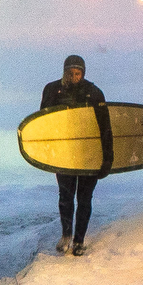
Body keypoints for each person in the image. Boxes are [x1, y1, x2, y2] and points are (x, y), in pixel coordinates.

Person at [42, 54, 105, 256]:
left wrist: (107, 158)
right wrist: (46, 153)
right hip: (64, 153)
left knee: (84, 199)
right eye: (71, 73)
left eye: (78, 73)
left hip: (88, 154)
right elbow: (43, 123)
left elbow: (105, 127)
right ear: (64, 71)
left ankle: (79, 240)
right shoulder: (52, 90)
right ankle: (66, 235)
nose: (74, 77)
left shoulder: (94, 92)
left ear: (83, 73)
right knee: (66, 197)